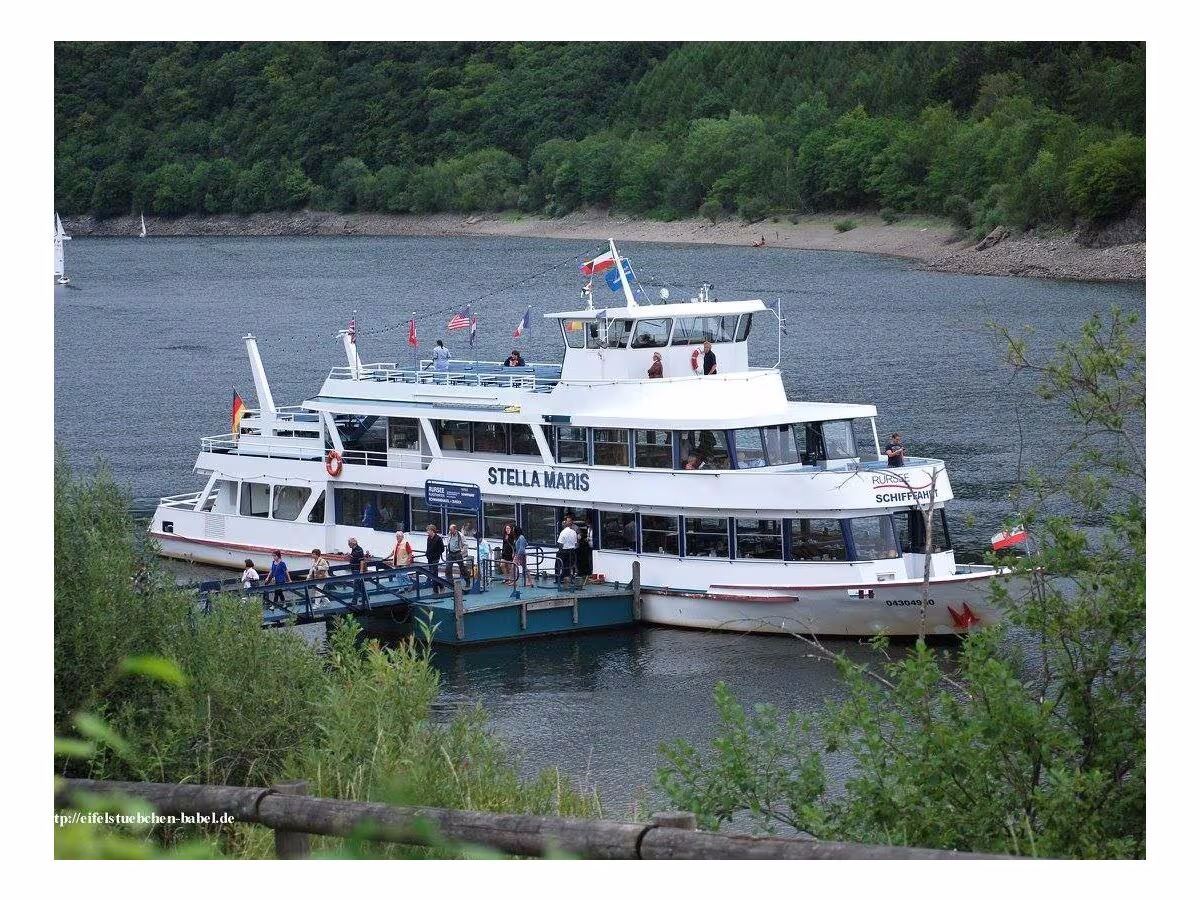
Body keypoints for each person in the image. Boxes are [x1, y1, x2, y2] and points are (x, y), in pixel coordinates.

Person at [556, 515, 578, 585]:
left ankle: (558, 578)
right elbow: (575, 543)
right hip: (571, 551)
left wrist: (560, 551)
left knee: (558, 565)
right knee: (569, 566)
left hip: (564, 551)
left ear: (564, 524)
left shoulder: (563, 532)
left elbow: (560, 544)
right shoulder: (574, 532)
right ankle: (568, 578)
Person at [424, 523, 445, 594]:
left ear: (432, 531)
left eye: (428, 530)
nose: (427, 532)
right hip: (430, 557)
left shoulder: (438, 539)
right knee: (432, 573)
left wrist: (437, 554)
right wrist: (427, 553)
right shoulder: (428, 538)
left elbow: (442, 548)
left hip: (435, 558)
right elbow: (428, 547)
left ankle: (435, 590)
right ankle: (441, 585)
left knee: (433, 573)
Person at [348, 537, 369, 604]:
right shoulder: (353, 550)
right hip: (354, 569)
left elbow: (361, 561)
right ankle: (365, 597)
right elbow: (354, 558)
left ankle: (354, 601)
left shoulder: (359, 550)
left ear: (353, 543)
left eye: (349, 543)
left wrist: (361, 571)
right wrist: (350, 557)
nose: (348, 545)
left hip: (357, 570)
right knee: (360, 585)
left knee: (356, 586)